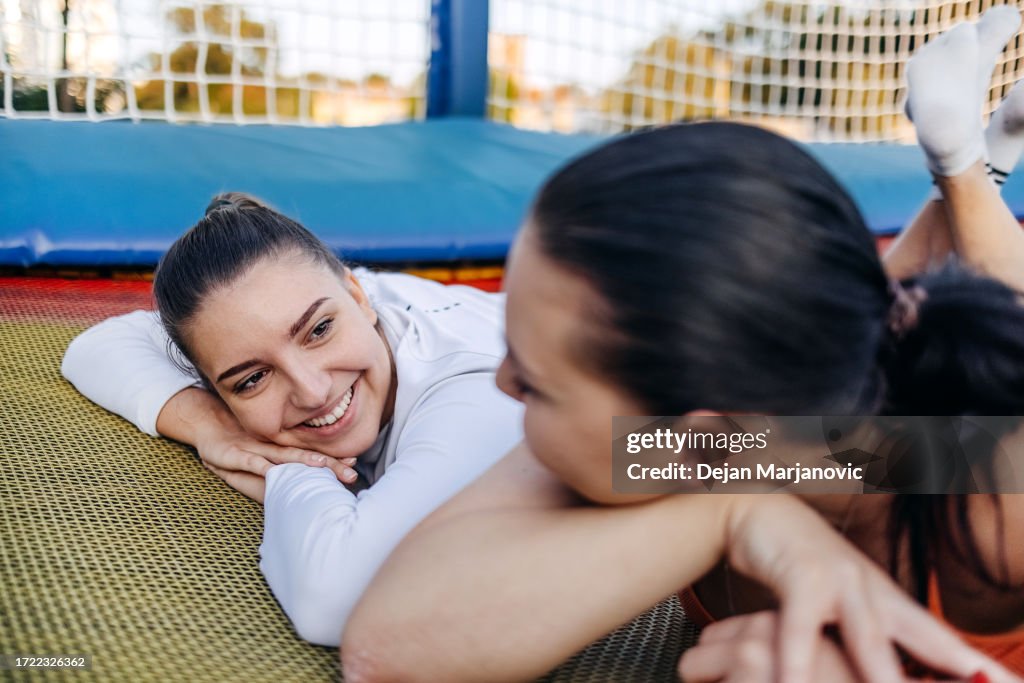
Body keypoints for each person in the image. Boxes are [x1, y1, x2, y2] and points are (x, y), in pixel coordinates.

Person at [342, 8, 1024, 683]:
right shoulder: (674, 447)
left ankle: (969, 170)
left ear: (703, 434)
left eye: (536, 381)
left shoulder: (989, 503)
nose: (502, 383)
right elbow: (389, 644)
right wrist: (734, 511)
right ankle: (966, 168)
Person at [61, 192, 525, 645]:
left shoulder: (474, 389)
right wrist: (210, 426)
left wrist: (289, 469)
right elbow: (95, 346)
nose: (312, 390)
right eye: (252, 379)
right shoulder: (309, 291)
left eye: (319, 331)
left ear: (359, 296)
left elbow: (335, 599)